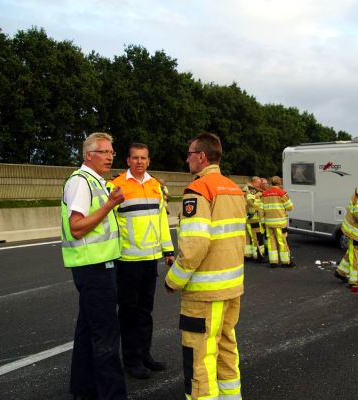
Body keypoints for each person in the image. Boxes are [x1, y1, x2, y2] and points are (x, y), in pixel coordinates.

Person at [164, 132, 246, 400]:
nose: (187, 159)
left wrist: (173, 280)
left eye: (189, 154)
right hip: (231, 288)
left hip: (204, 293)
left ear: (201, 156)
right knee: (225, 348)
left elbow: (194, 247)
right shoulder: (233, 188)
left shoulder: (198, 190)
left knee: (198, 356)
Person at [60, 132, 127, 400]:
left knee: (88, 332)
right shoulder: (81, 182)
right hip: (94, 268)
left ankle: (83, 390)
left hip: (98, 266)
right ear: (89, 155)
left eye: (112, 152)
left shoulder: (96, 182)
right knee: (106, 338)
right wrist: (110, 204)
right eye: (105, 152)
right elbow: (77, 227)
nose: (111, 157)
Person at [107, 143, 175, 379]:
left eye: (143, 158)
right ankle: (132, 361)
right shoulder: (115, 185)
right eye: (134, 158)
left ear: (148, 160)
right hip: (126, 261)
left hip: (150, 260)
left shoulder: (156, 186)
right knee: (128, 313)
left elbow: (162, 222)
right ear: (127, 160)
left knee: (145, 312)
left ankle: (145, 355)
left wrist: (168, 250)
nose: (139, 162)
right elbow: (109, 223)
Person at [260, 176, 294, 267]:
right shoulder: (281, 193)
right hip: (280, 223)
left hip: (268, 223)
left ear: (271, 183)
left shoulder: (264, 194)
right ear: (279, 183)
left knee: (271, 242)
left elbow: (260, 210)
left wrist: (263, 222)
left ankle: (273, 262)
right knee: (282, 241)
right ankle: (285, 262)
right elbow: (290, 207)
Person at [243, 176, 265, 261]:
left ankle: (247, 254)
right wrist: (258, 208)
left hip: (247, 216)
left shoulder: (245, 188)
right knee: (256, 236)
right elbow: (250, 201)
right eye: (258, 184)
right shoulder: (251, 189)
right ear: (254, 182)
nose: (259, 186)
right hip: (253, 217)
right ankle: (259, 255)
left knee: (247, 237)